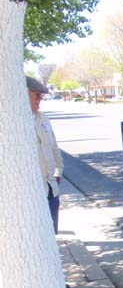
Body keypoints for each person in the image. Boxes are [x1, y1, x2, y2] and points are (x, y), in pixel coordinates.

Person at [27, 76, 63, 235]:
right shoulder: (17, 121)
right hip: (33, 191)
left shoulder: (43, 118)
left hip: (50, 186)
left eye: (41, 95)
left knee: (51, 233)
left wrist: (58, 171)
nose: (40, 98)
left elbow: (54, 147)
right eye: (36, 94)